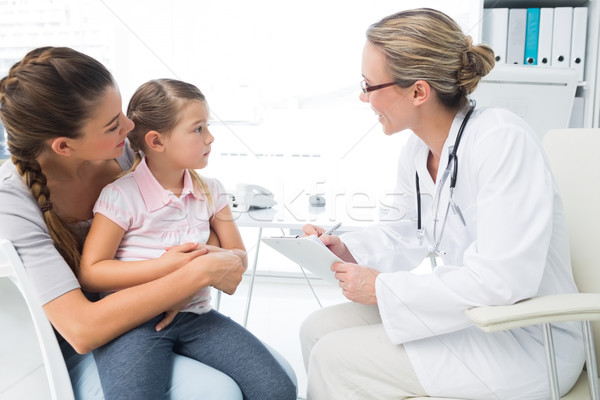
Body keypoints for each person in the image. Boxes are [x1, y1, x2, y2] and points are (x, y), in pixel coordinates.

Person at [300, 8, 585, 400]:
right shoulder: (418, 152)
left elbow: (504, 279)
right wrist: (347, 249)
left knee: (335, 356)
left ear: (418, 91)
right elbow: (402, 234)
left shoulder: (501, 140)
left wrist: (384, 288)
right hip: (471, 316)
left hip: (526, 339)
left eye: (369, 85)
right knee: (317, 330)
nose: (363, 97)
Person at [0, 47, 295, 399]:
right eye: (113, 125)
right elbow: (81, 329)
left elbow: (204, 224)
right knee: (215, 392)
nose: (130, 126)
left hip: (176, 317)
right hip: (72, 348)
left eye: (120, 113)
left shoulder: (128, 150)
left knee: (280, 376)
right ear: (64, 146)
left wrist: (178, 283)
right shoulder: (13, 203)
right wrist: (187, 278)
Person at [77, 78, 297, 400]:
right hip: (134, 322)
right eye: (197, 129)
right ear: (157, 141)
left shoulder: (212, 191)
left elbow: (238, 255)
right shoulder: (121, 195)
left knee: (276, 389)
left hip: (195, 316)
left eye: (207, 126)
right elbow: (92, 272)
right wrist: (169, 268)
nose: (210, 137)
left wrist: (206, 259)